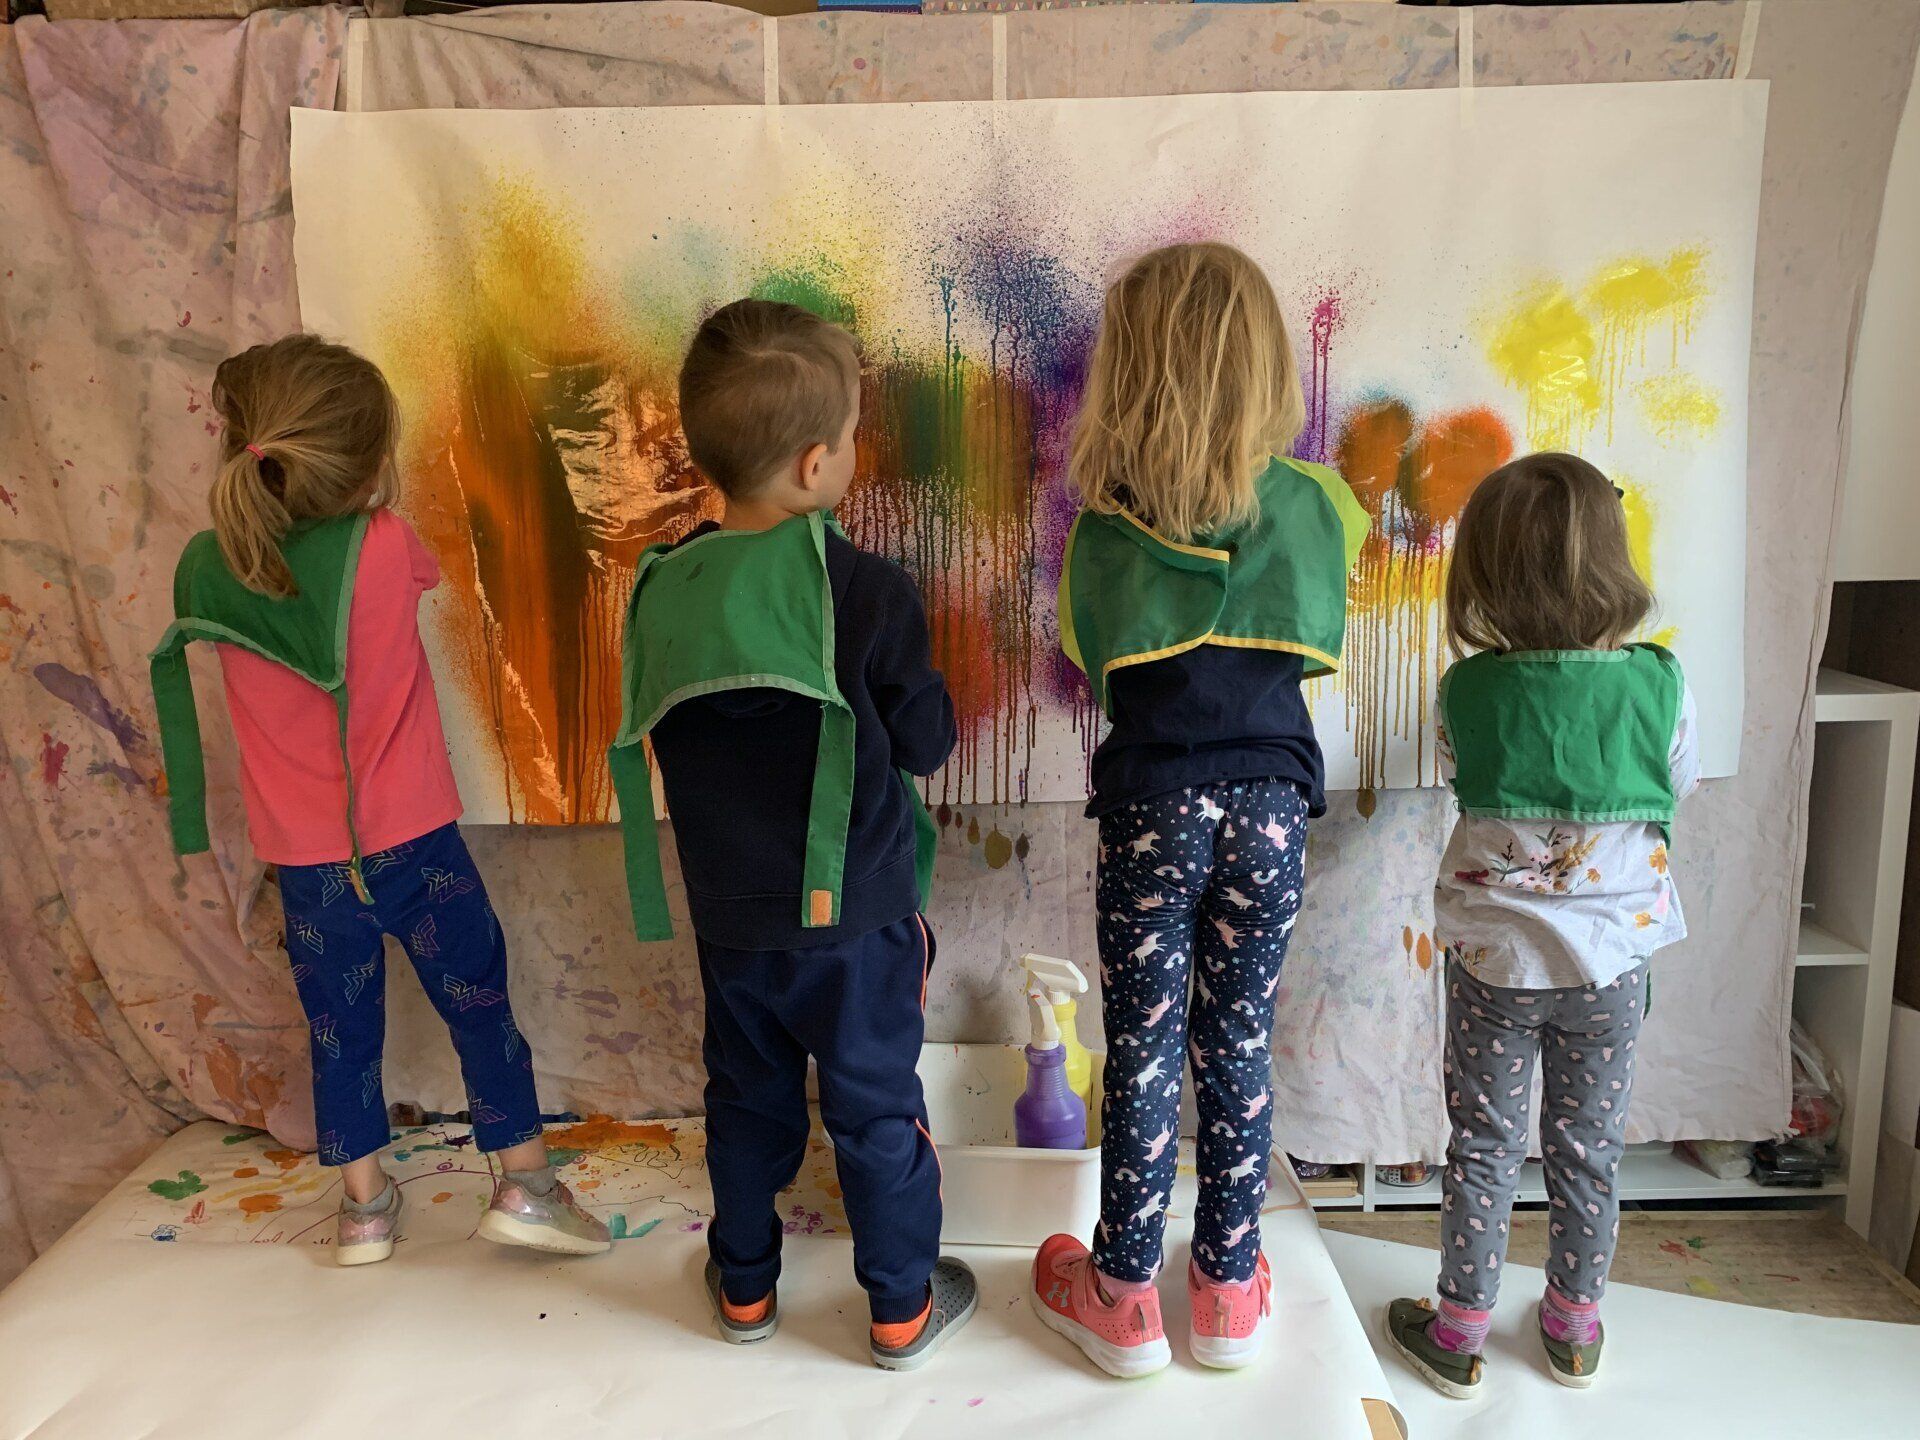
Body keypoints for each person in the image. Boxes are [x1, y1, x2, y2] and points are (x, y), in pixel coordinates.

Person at [150, 335, 609, 1266]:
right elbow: (427, 579)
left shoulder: (208, 566)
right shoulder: (387, 545)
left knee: (339, 1034)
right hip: (415, 848)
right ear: (364, 463)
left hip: (309, 868)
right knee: (479, 1005)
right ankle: (523, 1185)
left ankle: (364, 1211)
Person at [607, 298, 975, 1371]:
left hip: (731, 922)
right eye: (854, 436)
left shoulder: (663, 584)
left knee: (744, 1100)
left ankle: (746, 1286)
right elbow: (926, 744)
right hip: (855, 922)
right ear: (817, 466)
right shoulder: (862, 589)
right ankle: (902, 1306)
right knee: (872, 1111)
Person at [1033, 243, 1369, 1377]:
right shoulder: (1316, 504)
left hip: (1151, 812)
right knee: (1236, 1045)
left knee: (1141, 1050)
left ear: (1129, 377)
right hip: (1273, 808)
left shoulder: (1104, 527)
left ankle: (1124, 1290)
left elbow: (1090, 658)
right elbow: (1327, 616)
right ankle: (1228, 1287)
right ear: (1267, 368)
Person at [1384, 452, 1699, 1396]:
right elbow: (1677, 783)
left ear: (1486, 571)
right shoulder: (1663, 686)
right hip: (1610, 972)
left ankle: (1459, 1333)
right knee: (1588, 1149)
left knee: (1482, 1146)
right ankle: (1570, 1329)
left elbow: (1456, 777)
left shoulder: (1466, 692)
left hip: (1495, 964)